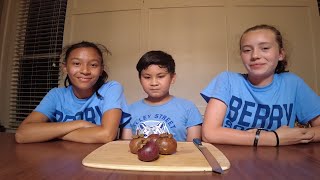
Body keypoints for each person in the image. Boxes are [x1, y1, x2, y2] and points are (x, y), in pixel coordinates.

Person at [201, 24, 320, 146]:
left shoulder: (293, 83)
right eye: (247, 50)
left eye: (265, 48)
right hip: (230, 160)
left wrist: (295, 136)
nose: (255, 56)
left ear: (280, 54)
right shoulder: (227, 80)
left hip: (280, 162)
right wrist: (274, 138)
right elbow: (209, 133)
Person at [15, 41, 130, 143]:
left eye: (93, 65)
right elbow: (22, 134)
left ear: (101, 70)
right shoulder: (56, 95)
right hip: (61, 159)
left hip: (97, 158)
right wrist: (79, 124)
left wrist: (52, 133)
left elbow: (106, 135)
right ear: (65, 67)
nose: (85, 71)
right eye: (76, 63)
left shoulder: (111, 89)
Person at [121, 50, 203, 141]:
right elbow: (126, 147)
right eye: (147, 77)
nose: (154, 83)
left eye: (160, 76)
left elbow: (194, 149)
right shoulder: (129, 111)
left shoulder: (188, 108)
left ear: (172, 78)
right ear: (140, 80)